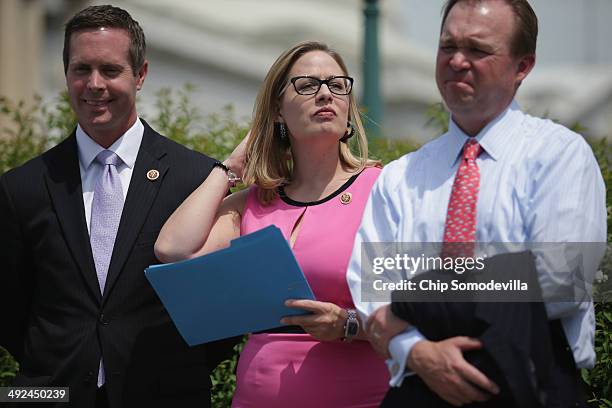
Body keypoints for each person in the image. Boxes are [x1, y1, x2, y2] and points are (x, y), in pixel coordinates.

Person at [346, 0, 607, 407]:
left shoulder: (559, 156)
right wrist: (418, 352)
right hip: (419, 386)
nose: (457, 61)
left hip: (529, 380)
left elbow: (560, 280)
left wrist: (417, 302)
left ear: (523, 66)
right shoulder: (401, 177)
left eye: (478, 49)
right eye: (447, 46)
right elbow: (372, 290)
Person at [0, 5, 235, 408]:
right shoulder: (21, 187)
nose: (94, 84)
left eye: (110, 71)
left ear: (140, 75)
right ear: (66, 73)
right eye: (81, 69)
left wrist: (173, 369)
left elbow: (220, 310)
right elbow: (10, 309)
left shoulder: (195, 179)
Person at [154, 41, 389, 407]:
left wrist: (347, 325)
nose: (325, 94)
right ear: (278, 109)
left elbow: (416, 310)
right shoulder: (257, 201)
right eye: (308, 85)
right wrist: (230, 167)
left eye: (337, 84)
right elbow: (173, 250)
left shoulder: (382, 191)